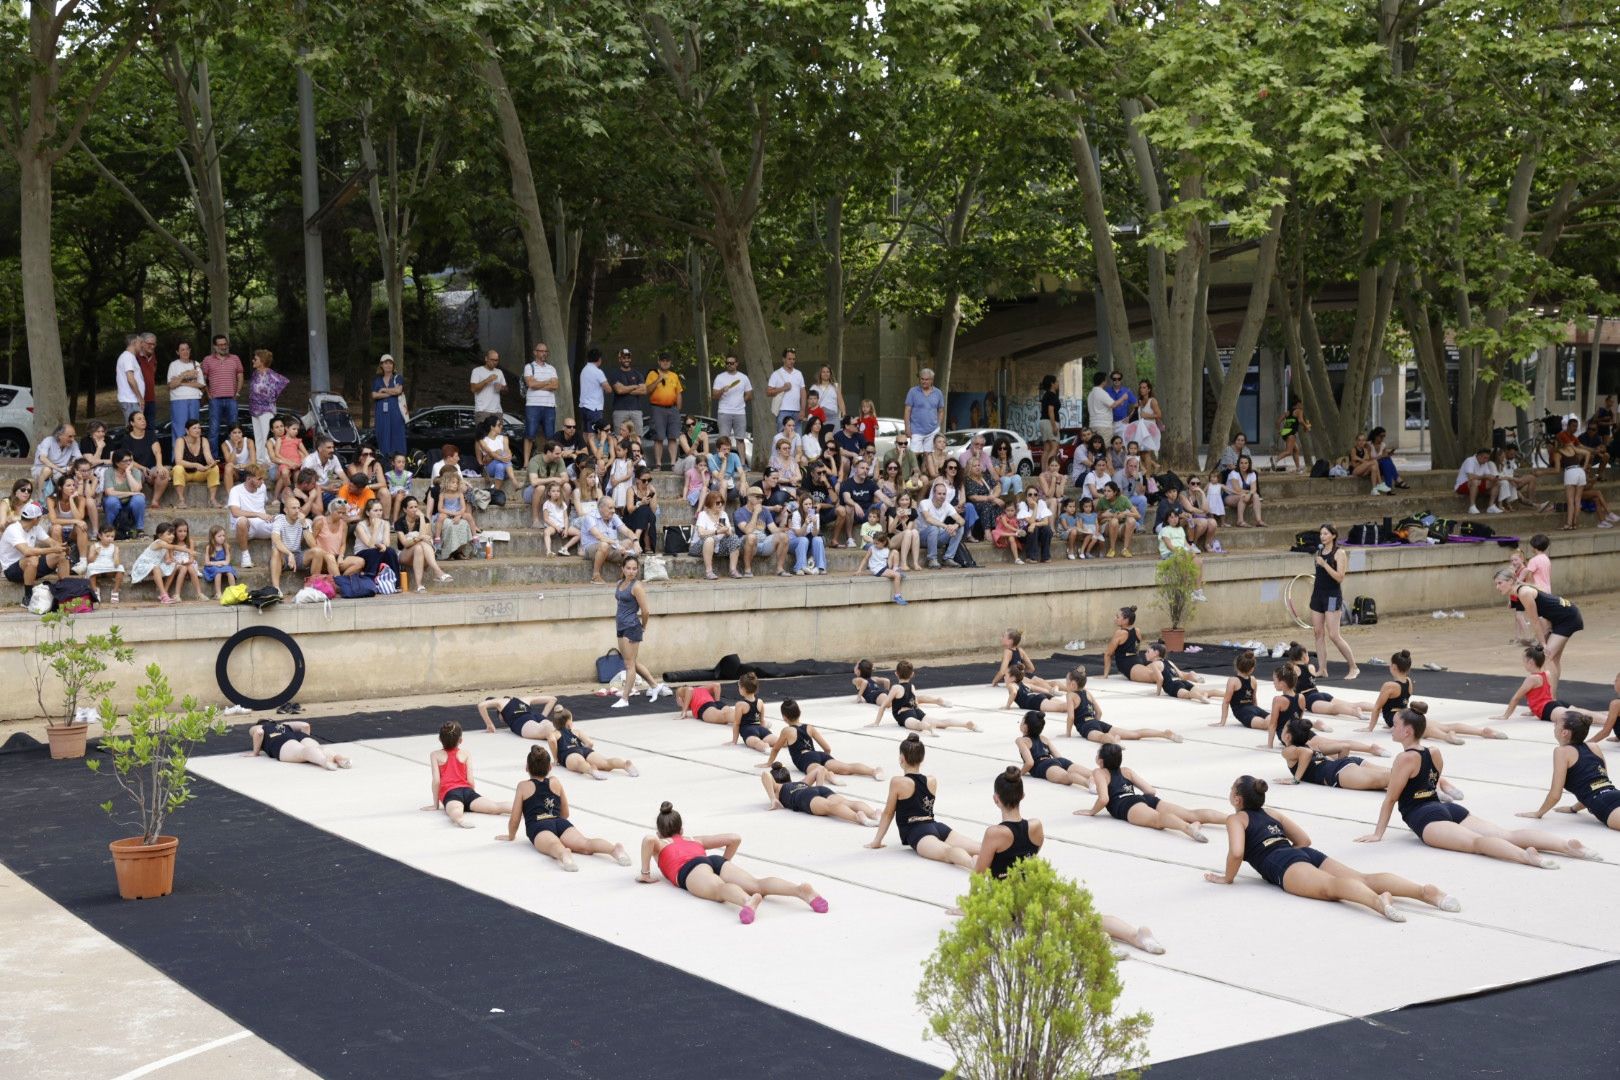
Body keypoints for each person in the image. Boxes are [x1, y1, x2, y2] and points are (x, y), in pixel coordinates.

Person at [1358, 707, 1597, 866]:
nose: (1392, 728)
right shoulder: (1434, 751)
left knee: (1475, 843)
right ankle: (1566, 846)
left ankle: (1525, 857)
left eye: (1395, 725)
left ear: (1407, 731)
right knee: (1507, 834)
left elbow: (1391, 798)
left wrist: (1378, 834)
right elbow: (1432, 779)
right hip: (1448, 809)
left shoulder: (1404, 758)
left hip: (1425, 817)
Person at [1207, 776, 1458, 921]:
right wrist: (1295, 855)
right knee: (1364, 878)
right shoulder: (1272, 813)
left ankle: (1378, 902)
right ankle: (1424, 892)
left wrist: (1227, 878)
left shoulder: (1236, 819)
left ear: (1237, 799)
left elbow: (1237, 852)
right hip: (1303, 854)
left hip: (1283, 862)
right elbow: (1304, 840)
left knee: (1331, 887)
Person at [975, 768, 1165, 952]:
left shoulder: (995, 834)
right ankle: (1136, 934)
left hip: (1017, 898)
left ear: (996, 799)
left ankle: (1099, 941)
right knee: (1087, 915)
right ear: (1022, 796)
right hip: (1040, 886)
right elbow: (1032, 854)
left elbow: (980, 873)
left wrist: (973, 904)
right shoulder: (1035, 826)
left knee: (1058, 921)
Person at [637, 801, 828, 923]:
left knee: (720, 890)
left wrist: (645, 873)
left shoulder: (659, 844)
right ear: (682, 829)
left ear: (659, 832)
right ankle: (800, 890)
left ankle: (746, 901)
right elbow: (734, 838)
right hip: (712, 860)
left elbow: (648, 840)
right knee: (756, 884)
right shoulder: (695, 840)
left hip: (690, 869)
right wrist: (722, 863)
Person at [867, 734, 980, 869]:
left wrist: (877, 841)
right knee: (978, 847)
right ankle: (998, 856)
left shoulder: (898, 782)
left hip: (918, 832)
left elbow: (888, 813)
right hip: (937, 827)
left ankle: (972, 864)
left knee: (947, 852)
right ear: (922, 759)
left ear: (901, 758)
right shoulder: (932, 780)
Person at [1079, 743, 1224, 843]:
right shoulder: (1126, 771)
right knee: (1190, 813)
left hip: (1127, 805)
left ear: (1101, 761)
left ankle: (1187, 828)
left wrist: (1092, 811)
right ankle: (1229, 819)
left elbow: (1104, 799)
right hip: (1144, 799)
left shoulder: (1099, 773)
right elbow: (1150, 791)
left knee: (1158, 820)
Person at [1367, 654, 1505, 741]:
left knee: (1425, 731)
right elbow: (1402, 701)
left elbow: (1378, 707)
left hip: (1400, 717)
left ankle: (1446, 737)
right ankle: (1481, 731)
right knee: (1445, 726)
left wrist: (1370, 728)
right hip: (1408, 714)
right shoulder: (1408, 681)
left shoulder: (1389, 686)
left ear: (1393, 667)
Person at [1519, 713, 1620, 831]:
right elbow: (1598, 784)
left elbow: (1555, 794)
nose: (1554, 726)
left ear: (1564, 732)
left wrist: (1538, 813)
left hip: (1604, 803)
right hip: (1614, 793)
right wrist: (1573, 809)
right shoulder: (1593, 747)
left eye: (1556, 724)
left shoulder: (1562, 752)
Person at [1493, 570, 1583, 681]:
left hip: (1567, 617)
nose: (1497, 587)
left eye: (1500, 583)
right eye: (1496, 584)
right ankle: (1551, 692)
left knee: (1547, 657)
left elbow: (1535, 621)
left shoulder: (1524, 593)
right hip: (1559, 617)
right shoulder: (1518, 593)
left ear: (1511, 581)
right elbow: (1542, 617)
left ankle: (1548, 692)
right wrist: (1544, 638)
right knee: (1553, 659)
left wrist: (1543, 644)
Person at [762, 699, 882, 781]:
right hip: (820, 755)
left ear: (784, 717)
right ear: (800, 712)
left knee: (818, 770)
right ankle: (873, 771)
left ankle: (829, 775)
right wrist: (824, 758)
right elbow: (827, 748)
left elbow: (776, 749)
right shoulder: (809, 727)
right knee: (847, 768)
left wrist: (768, 763)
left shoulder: (787, 731)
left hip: (805, 759)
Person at [421, 722, 510, 828]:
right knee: (495, 807)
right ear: (460, 740)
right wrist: (471, 795)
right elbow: (470, 779)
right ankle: (520, 808)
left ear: (440, 739)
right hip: (468, 791)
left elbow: (436, 781)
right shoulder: (466, 753)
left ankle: (460, 820)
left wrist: (435, 805)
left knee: (455, 809)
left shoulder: (435, 755)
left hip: (450, 793)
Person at [1495, 644, 1602, 731]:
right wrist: (1533, 710)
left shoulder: (1532, 678)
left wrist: (1505, 715)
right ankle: (1608, 718)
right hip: (1553, 703)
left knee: (1577, 717)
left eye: (1524, 661)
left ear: (1530, 662)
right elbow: (1542, 694)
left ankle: (1608, 721)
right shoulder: (1547, 674)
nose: (1523, 664)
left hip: (1547, 709)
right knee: (1579, 712)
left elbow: (1516, 698)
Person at [610, 554, 669, 708]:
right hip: (621, 626)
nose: (631, 571)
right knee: (631, 662)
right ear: (623, 569)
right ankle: (654, 686)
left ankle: (625, 698)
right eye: (628, 568)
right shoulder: (619, 583)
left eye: (634, 569)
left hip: (632, 627)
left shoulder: (636, 587)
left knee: (629, 665)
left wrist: (643, 627)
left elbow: (645, 611)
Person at [1277, 719, 1392, 790]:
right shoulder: (1312, 746)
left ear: (1287, 737)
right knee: (1393, 773)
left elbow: (1306, 753)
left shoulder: (1289, 750)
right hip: (1345, 764)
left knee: (1386, 779)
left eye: (1283, 730)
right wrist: (1342, 763)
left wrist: (1295, 779)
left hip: (1335, 771)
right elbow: (1344, 746)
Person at [869, 659, 977, 734]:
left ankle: (927, 727)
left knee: (917, 725)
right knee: (941, 722)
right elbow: (915, 702)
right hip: (917, 711)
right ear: (912, 674)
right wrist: (912, 709)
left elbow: (883, 706)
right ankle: (965, 724)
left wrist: (876, 723)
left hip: (904, 716)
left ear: (896, 673)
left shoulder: (896, 688)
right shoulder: (912, 686)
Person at [1307, 524, 1358, 678]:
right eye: (1321, 534)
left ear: (1333, 536)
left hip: (1332, 596)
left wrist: (1325, 564)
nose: (1322, 536)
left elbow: (1340, 577)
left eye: (1326, 533)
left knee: (1334, 634)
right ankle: (1322, 668)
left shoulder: (1339, 553)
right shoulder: (1319, 552)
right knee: (1318, 633)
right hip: (1318, 595)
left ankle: (1353, 667)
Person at [762, 762, 879, 825]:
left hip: (804, 797)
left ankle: (857, 818)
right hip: (817, 789)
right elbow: (820, 769)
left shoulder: (778, 788)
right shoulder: (802, 782)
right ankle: (874, 814)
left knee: (830, 807)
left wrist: (773, 799)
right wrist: (819, 787)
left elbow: (765, 774)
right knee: (848, 802)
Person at [548, 707, 638, 780]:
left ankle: (590, 769)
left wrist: (556, 759)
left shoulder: (556, 733)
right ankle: (624, 764)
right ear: (568, 722)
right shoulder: (577, 732)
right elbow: (590, 743)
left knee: (580, 764)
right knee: (606, 763)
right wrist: (585, 752)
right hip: (584, 750)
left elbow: (551, 740)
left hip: (569, 753)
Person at [1, 503, 70, 587]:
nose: (41, 518)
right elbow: (27, 551)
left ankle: (66, 589)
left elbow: (51, 542)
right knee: (32, 559)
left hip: (31, 566)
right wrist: (53, 550)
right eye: (40, 517)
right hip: (11, 571)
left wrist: (62, 547)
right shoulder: (13, 529)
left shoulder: (36, 527)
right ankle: (28, 593)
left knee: (62, 556)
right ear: (35, 519)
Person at [1016, 712, 1092, 788]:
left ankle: (1088, 784)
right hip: (1059, 761)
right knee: (1090, 773)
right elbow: (1058, 756)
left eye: (1022, 721)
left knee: (1066, 776)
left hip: (1044, 766)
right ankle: (1097, 778)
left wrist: (1020, 773)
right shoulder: (1044, 738)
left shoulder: (1021, 741)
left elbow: (1030, 763)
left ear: (1025, 727)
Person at [243, 720, 352, 770]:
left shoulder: (261, 727)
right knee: (318, 748)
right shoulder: (283, 725)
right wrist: (303, 738)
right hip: (297, 734)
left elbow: (259, 733)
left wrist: (255, 753)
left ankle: (323, 761)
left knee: (302, 752)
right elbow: (305, 726)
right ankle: (339, 758)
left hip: (279, 740)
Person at [580, 495, 639, 584]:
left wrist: (635, 541)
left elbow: (626, 530)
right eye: (610, 508)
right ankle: (595, 576)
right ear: (601, 508)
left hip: (611, 547)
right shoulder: (590, 517)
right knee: (604, 545)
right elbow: (599, 537)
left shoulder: (613, 516)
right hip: (591, 548)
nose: (613, 510)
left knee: (629, 543)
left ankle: (624, 577)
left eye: (614, 508)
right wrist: (617, 545)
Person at [643, 352, 684, 470]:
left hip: (672, 409)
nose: (665, 363)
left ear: (670, 362)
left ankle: (673, 464)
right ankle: (658, 464)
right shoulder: (653, 374)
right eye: (663, 360)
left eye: (667, 361)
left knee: (673, 437)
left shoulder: (674, 375)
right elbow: (647, 390)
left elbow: (678, 392)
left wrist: (678, 409)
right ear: (659, 362)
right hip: (657, 408)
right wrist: (658, 380)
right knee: (658, 437)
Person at [201, 335, 243, 450]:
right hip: (215, 400)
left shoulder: (235, 358)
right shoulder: (207, 360)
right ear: (215, 346)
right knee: (214, 430)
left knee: (234, 430)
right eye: (220, 345)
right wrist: (208, 393)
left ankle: (234, 455)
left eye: (225, 344)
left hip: (231, 399)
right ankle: (213, 457)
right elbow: (202, 378)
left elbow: (240, 376)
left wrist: (238, 392)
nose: (223, 347)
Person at [247, 349, 289, 463]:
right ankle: (260, 460)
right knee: (258, 436)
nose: (253, 361)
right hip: (254, 409)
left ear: (262, 361)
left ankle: (269, 460)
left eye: (255, 359)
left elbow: (283, 382)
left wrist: (271, 398)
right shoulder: (255, 374)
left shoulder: (270, 375)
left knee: (266, 435)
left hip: (266, 409)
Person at [690, 490, 743, 579]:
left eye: (722, 502)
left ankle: (733, 570)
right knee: (710, 539)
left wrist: (726, 530)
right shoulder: (703, 515)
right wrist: (717, 531)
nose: (720, 505)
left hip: (717, 547)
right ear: (710, 503)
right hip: (699, 547)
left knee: (734, 538)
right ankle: (709, 572)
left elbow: (730, 533)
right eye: (717, 503)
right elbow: (701, 533)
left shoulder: (723, 514)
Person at [1142, 642, 1219, 704]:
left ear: (1156, 653)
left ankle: (1200, 697)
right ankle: (1224, 694)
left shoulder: (1155, 664)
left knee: (1188, 694)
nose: (1145, 653)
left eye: (1148, 651)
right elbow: (1181, 675)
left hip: (1173, 686)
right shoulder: (1169, 662)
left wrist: (1157, 693)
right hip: (1182, 682)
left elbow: (1160, 679)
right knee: (1205, 691)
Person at [170, 419, 220, 510]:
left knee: (215, 468)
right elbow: (178, 461)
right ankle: (181, 500)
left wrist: (211, 462)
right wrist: (196, 465)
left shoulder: (204, 440)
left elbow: (208, 457)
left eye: (199, 428)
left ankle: (212, 499)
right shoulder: (180, 441)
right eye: (194, 428)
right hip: (184, 474)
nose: (198, 430)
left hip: (198, 474)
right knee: (178, 468)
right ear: (187, 430)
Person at [1214, 651, 1269, 729]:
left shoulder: (1233, 681)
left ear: (1236, 665)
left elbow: (1226, 702)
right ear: (1252, 669)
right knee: (1274, 720)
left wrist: (1222, 722)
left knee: (1266, 724)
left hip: (1244, 713)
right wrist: (1257, 711)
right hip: (1253, 710)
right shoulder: (1253, 679)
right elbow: (1254, 700)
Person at [1100, 606, 1155, 684]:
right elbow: (1136, 649)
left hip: (1127, 665)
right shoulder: (1137, 630)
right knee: (1156, 673)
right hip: (1138, 660)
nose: (1115, 619)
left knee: (1154, 677)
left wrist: (1105, 675)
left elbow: (1108, 654)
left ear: (1126, 620)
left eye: (1117, 617)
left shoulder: (1120, 633)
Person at [902, 368, 945, 458]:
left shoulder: (938, 393)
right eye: (922, 379)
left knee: (928, 456)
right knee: (913, 456)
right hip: (916, 430)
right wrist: (907, 428)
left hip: (932, 430)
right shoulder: (913, 391)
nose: (924, 381)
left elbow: (941, 411)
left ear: (932, 380)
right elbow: (907, 410)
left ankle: (925, 468)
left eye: (926, 379)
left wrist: (938, 426)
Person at [371, 354, 408, 459]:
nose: (388, 365)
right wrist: (391, 393)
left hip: (395, 413)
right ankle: (385, 460)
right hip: (381, 414)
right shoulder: (377, 380)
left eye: (390, 363)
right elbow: (374, 395)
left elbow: (398, 391)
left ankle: (399, 461)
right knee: (383, 436)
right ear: (381, 365)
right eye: (385, 363)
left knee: (397, 436)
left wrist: (383, 390)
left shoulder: (398, 378)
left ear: (393, 365)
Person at [102, 452, 148, 536]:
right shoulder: (109, 472)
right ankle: (109, 528)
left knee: (139, 499)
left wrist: (128, 473)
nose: (129, 463)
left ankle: (139, 529)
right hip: (115, 502)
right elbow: (109, 492)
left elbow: (136, 489)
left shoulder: (136, 471)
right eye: (125, 461)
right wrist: (131, 493)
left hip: (130, 502)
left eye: (130, 460)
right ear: (117, 463)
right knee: (111, 501)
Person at [166, 341, 205, 436]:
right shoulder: (173, 365)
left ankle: (193, 446)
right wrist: (185, 375)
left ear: (190, 350)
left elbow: (201, 384)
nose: (185, 352)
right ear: (177, 352)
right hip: (178, 399)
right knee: (180, 429)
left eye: (187, 349)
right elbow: (171, 385)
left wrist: (181, 382)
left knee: (194, 429)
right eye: (182, 350)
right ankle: (178, 446)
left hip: (194, 399)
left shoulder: (196, 364)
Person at [711, 353, 752, 441]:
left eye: (732, 363)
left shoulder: (743, 377)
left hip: (740, 412)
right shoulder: (720, 377)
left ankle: (740, 452)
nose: (729, 365)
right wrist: (722, 390)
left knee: (740, 440)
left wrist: (742, 401)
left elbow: (749, 394)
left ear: (736, 364)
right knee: (723, 440)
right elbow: (714, 396)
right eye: (727, 363)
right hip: (724, 412)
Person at [765, 347, 805, 433]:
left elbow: (803, 392)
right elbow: (768, 392)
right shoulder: (776, 374)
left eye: (793, 359)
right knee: (782, 437)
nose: (792, 361)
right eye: (789, 359)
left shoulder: (798, 373)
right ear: (783, 359)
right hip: (782, 411)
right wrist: (783, 388)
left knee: (797, 437)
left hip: (797, 411)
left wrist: (802, 410)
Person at [84, 524, 125, 604]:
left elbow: (116, 562)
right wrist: (96, 553)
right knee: (90, 567)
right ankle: (95, 590)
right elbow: (90, 561)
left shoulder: (114, 547)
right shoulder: (94, 546)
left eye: (112, 536)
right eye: (107, 536)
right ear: (100, 536)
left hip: (109, 566)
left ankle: (115, 591)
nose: (110, 538)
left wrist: (116, 558)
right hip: (97, 566)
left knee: (121, 568)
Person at [1095, 481, 1138, 557]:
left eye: (1109, 491)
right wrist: (1104, 515)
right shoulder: (1102, 500)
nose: (1106, 493)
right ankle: (1112, 549)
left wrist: (1125, 513)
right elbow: (1096, 518)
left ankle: (1125, 549)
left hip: (1120, 527)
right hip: (1107, 526)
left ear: (1115, 492)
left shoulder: (1123, 499)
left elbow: (1137, 515)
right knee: (1114, 521)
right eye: (1104, 491)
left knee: (1132, 520)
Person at [32, 424, 77, 495]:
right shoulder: (48, 440)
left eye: (74, 436)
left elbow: (79, 459)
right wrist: (59, 469)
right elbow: (42, 458)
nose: (73, 439)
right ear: (60, 436)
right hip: (42, 470)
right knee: (47, 470)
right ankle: (40, 496)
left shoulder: (73, 443)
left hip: (62, 471)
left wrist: (72, 466)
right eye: (70, 436)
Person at [1454, 447, 1499, 515]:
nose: (1486, 460)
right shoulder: (1470, 460)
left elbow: (1488, 475)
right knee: (1474, 481)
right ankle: (1472, 506)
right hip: (1462, 486)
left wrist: (1493, 478)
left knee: (1496, 482)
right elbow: (1470, 477)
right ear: (1479, 456)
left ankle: (1491, 506)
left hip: (1477, 484)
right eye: (1485, 458)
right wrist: (1484, 477)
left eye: (1487, 458)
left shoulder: (1484, 463)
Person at [1223, 455, 1265, 527]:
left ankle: (1259, 521)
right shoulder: (1234, 473)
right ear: (1238, 464)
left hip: (1245, 495)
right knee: (1243, 496)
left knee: (1256, 496)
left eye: (1246, 463)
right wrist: (1249, 492)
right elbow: (1237, 489)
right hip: (1230, 496)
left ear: (1249, 464)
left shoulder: (1252, 474)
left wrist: (1250, 494)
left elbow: (1254, 489)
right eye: (1241, 463)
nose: (1243, 465)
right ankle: (1240, 521)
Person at [470, 349, 507, 428]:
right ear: (486, 358)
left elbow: (506, 391)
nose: (494, 362)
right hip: (482, 411)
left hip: (497, 411)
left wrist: (502, 388)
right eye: (492, 360)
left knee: (497, 435)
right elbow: (473, 389)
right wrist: (487, 380)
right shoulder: (477, 371)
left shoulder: (499, 372)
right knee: (483, 435)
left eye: (496, 360)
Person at [219, 424, 258, 495]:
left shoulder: (249, 441)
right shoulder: (225, 445)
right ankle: (231, 496)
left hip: (248, 469)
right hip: (235, 472)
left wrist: (242, 466)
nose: (237, 435)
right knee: (228, 466)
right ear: (230, 434)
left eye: (239, 432)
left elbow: (253, 462)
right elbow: (230, 462)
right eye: (234, 433)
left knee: (255, 468)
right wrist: (235, 447)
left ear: (242, 433)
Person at [115, 333, 145, 424]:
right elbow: (130, 379)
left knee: (136, 428)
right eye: (140, 342)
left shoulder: (129, 357)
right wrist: (140, 398)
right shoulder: (127, 357)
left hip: (131, 400)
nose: (142, 345)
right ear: (134, 343)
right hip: (130, 400)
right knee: (134, 428)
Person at [1276, 399, 1308, 474]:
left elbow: (1278, 421)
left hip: (1284, 433)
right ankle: (1275, 459)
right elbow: (1300, 420)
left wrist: (1279, 431)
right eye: (1301, 404)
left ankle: (1298, 468)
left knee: (1296, 449)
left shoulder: (1287, 412)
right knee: (1289, 451)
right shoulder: (1299, 411)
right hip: (1291, 433)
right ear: (1298, 404)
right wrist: (1306, 426)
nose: (1302, 406)